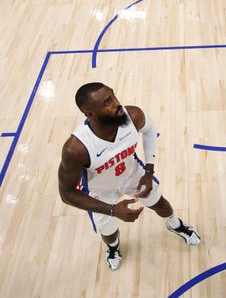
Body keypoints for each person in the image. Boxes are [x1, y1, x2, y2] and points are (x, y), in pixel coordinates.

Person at [57, 82, 201, 271]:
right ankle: (113, 248)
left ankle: (175, 224)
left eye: (114, 96)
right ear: (90, 114)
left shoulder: (132, 116)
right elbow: (67, 194)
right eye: (108, 103)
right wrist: (112, 210)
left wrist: (149, 171)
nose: (117, 103)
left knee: (160, 203)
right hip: (100, 192)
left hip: (133, 175)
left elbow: (149, 130)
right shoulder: (76, 149)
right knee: (108, 231)